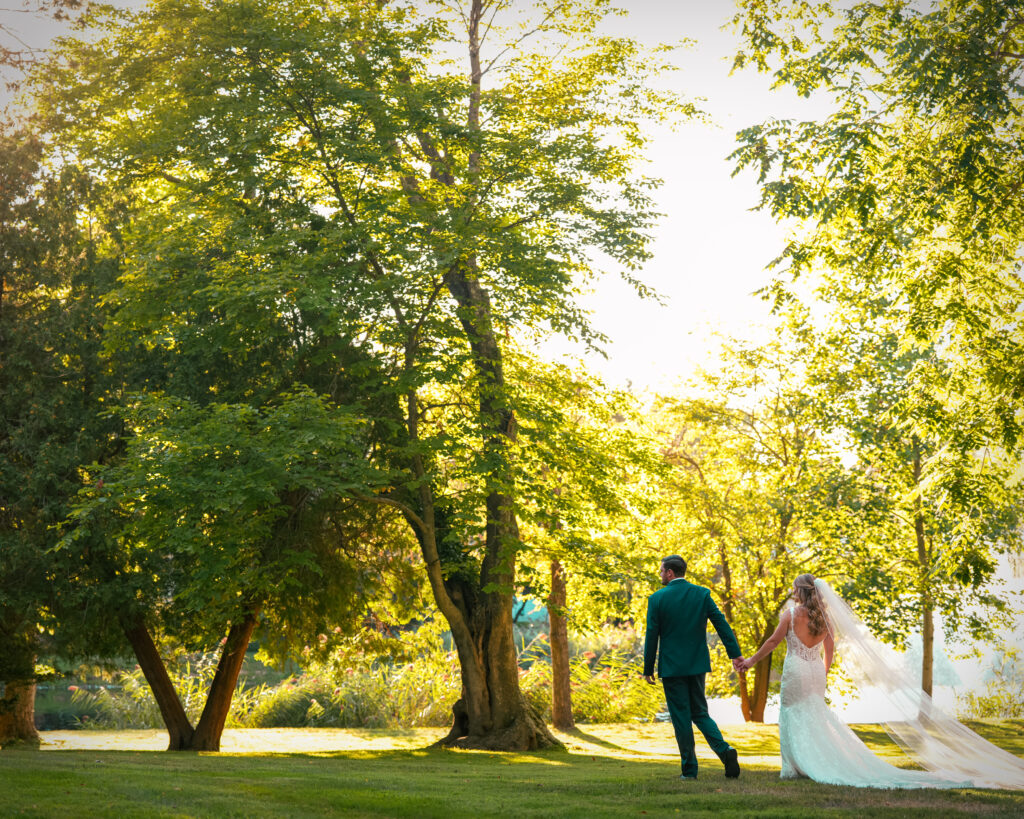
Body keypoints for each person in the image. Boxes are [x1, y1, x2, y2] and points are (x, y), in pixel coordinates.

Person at [738, 573, 1024, 790]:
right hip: (814, 672)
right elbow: (830, 648)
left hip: (797, 669)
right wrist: (823, 673)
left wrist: (750, 661)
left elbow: (775, 641)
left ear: (798, 592)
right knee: (814, 713)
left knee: (793, 713)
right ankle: (807, 762)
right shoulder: (825, 617)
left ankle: (795, 766)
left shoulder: (791, 614)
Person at [643, 554, 743, 780]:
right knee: (700, 713)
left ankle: (689, 770)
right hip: (697, 665)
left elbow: (652, 636)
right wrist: (734, 654)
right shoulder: (702, 594)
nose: (660, 574)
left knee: (680, 717)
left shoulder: (657, 599)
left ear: (670, 572)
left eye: (661, 571)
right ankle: (724, 751)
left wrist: (648, 668)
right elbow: (721, 624)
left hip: (672, 668)